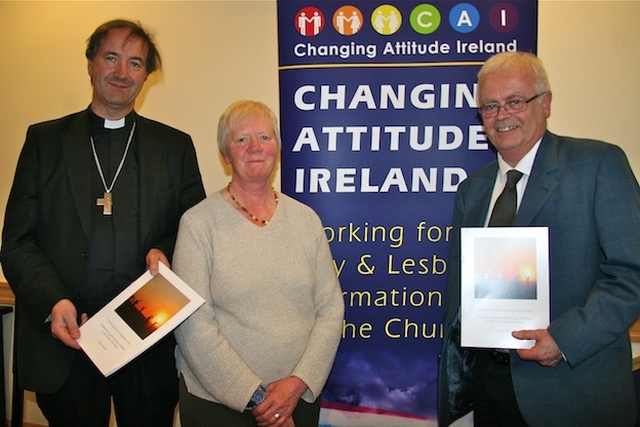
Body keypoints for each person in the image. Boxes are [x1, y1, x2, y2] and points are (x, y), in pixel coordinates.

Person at [0, 19, 205, 427]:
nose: (121, 73)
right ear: (91, 63)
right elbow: (18, 241)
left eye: (135, 63)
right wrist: (54, 303)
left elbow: (195, 233)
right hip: (68, 338)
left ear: (147, 76)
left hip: (145, 341)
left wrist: (165, 249)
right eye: (111, 57)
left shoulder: (174, 147)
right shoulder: (45, 142)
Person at [438, 51, 640, 427]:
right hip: (490, 387)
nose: (502, 116)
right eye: (489, 107)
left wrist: (565, 340)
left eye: (514, 101)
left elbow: (633, 273)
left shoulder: (597, 165)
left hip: (574, 389)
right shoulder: (473, 190)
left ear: (545, 103)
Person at [173, 100, 344, 427]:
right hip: (219, 406)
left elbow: (330, 307)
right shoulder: (198, 224)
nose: (254, 147)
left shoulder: (306, 220)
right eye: (241, 140)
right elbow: (193, 325)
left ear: (278, 149)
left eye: (264, 137)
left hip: (297, 398)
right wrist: (259, 399)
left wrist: (297, 384)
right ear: (225, 155)